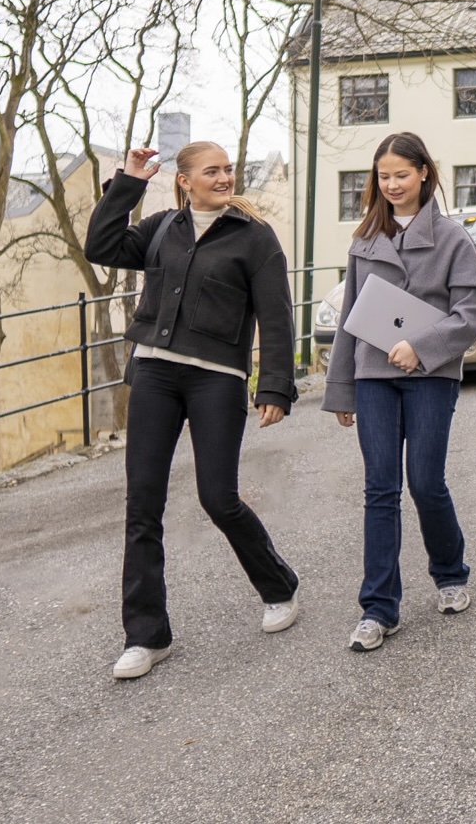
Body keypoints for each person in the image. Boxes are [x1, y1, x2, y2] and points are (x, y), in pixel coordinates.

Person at [84, 141, 303, 681]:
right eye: (212, 171)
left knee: (218, 498)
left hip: (218, 378)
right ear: (185, 180)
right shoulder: (161, 228)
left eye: (228, 170)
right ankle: (145, 635)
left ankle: (279, 587)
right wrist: (128, 182)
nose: (224, 177)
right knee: (143, 506)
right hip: (155, 372)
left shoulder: (253, 238)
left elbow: (275, 314)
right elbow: (101, 245)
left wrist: (274, 385)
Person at [322, 132, 476, 652]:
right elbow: (352, 317)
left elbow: (474, 311)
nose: (392, 184)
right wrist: (342, 391)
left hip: (430, 376)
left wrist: (421, 346)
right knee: (379, 488)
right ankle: (378, 609)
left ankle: (449, 572)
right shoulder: (365, 240)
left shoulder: (452, 239)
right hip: (374, 376)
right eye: (383, 176)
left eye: (401, 174)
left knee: (424, 481)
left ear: (424, 172)